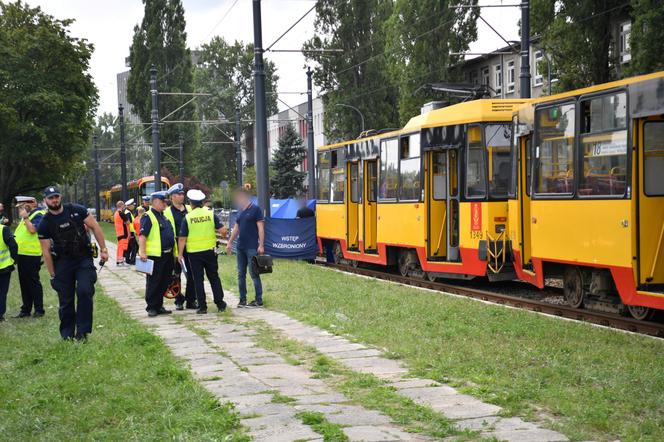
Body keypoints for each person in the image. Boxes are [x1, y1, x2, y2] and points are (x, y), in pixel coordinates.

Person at [38, 186, 108, 341]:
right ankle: (67, 334)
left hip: (83, 258)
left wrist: (103, 249)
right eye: (50, 198)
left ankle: (82, 332)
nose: (54, 200)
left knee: (84, 291)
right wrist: (52, 275)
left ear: (60, 197)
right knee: (66, 299)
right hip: (63, 262)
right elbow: (46, 251)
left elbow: (95, 227)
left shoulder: (77, 210)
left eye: (56, 196)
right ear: (45, 200)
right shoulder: (45, 223)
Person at [178, 189, 226, 314]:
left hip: (194, 254)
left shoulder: (188, 217)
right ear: (202, 202)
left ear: (191, 203)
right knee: (214, 277)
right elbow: (223, 231)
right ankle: (220, 304)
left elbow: (182, 238)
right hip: (210, 252)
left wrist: (180, 254)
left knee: (198, 280)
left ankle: (202, 307)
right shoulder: (210, 214)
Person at [226, 188, 265, 308]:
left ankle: (258, 300)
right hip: (240, 247)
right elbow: (236, 228)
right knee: (240, 274)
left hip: (252, 247)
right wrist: (230, 242)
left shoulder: (255, 210)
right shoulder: (240, 211)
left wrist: (261, 245)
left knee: (254, 273)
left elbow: (261, 228)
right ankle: (242, 300)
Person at [138, 191, 175, 317]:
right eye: (163, 202)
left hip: (167, 255)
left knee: (165, 281)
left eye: (166, 202)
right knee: (154, 282)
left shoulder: (164, 216)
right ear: (155, 202)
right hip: (155, 256)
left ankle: (159, 305)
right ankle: (151, 307)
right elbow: (142, 236)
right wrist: (142, 252)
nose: (165, 204)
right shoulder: (148, 216)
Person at [13, 196, 46, 318]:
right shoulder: (27, 215)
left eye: (22, 206)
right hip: (22, 254)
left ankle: (39, 310)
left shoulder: (39, 213)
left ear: (31, 204)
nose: (20, 209)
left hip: (31, 254)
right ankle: (25, 309)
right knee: (24, 283)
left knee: (33, 282)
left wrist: (25, 217)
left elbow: (33, 230)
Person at [165, 183, 196, 310]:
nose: (182, 196)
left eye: (182, 194)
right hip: (175, 248)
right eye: (179, 194)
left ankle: (191, 300)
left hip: (190, 246)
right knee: (175, 276)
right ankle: (178, 299)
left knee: (192, 275)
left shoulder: (190, 209)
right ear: (172, 196)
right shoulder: (167, 212)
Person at [0, 223, 19, 322]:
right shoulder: (3, 229)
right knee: (2, 292)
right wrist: (14, 259)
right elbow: (13, 245)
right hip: (3, 267)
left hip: (4, 267)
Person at [114, 200, 129, 266]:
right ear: (121, 206)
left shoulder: (116, 213)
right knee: (122, 248)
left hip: (119, 233)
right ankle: (121, 262)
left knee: (119, 247)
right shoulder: (121, 213)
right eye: (124, 205)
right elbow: (128, 222)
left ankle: (118, 261)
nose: (124, 207)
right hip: (123, 232)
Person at [124, 199, 138, 265]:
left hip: (129, 232)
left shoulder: (128, 212)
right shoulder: (128, 213)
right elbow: (128, 224)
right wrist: (130, 233)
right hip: (130, 232)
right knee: (134, 247)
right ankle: (132, 260)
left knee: (129, 247)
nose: (134, 206)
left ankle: (127, 260)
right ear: (129, 206)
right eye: (133, 205)